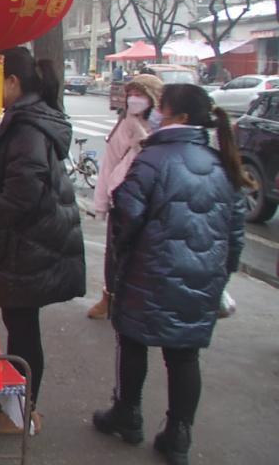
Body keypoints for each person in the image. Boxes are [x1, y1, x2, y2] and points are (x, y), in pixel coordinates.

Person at [92, 84, 246, 465]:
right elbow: (236, 232)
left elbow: (125, 214)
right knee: (184, 356)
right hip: (202, 276)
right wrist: (218, 276)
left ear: (176, 116)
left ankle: (128, 413)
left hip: (149, 270)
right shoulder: (221, 162)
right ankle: (178, 435)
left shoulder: (152, 159)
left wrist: (122, 261)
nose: (154, 112)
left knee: (132, 341)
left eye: (160, 107)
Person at [0, 47, 85, 435]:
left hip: (28, 244)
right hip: (30, 241)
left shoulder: (28, 126)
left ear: (13, 82)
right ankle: (12, 397)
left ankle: (22, 413)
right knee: (19, 321)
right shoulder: (27, 118)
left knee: (24, 325)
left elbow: (23, 188)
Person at [87, 74, 164, 319]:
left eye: (139, 95)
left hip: (155, 202)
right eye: (130, 94)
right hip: (122, 199)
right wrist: (100, 202)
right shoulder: (124, 124)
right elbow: (109, 164)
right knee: (115, 252)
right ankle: (110, 297)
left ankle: (144, 303)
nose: (133, 100)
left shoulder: (164, 127)